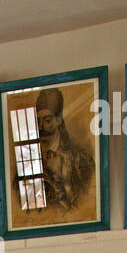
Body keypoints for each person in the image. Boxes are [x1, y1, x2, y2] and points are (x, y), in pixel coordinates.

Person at [29, 85, 95, 214]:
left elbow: (88, 204)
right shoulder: (28, 160)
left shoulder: (79, 157)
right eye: (38, 121)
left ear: (59, 120)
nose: (41, 127)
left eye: (47, 120)